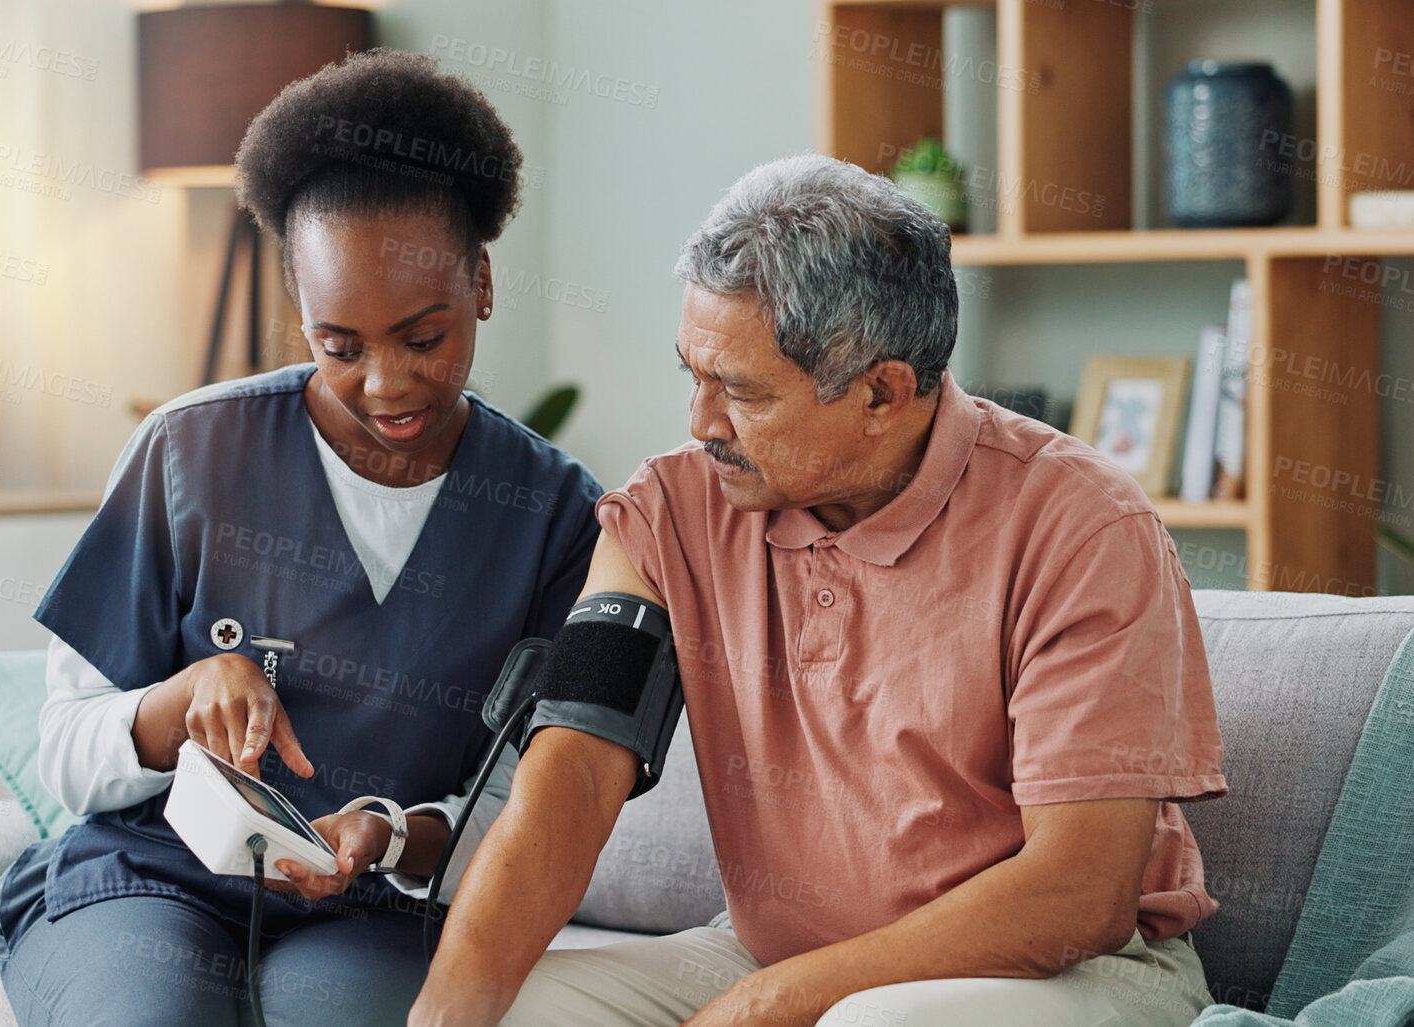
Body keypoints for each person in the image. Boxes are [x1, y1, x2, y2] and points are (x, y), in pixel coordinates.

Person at [410, 154, 1228, 1027]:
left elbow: (1078, 896)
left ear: (882, 392)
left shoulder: (1081, 526)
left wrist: (772, 1003)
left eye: (742, 393)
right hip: (773, 951)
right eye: (694, 373)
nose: (700, 422)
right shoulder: (666, 515)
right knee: (511, 1004)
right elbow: (568, 779)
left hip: (1072, 974)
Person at [0, 51, 601, 1026]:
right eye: (338, 345)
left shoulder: (556, 515)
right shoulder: (188, 451)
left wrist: (393, 838)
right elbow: (64, 749)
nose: (385, 385)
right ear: (298, 308)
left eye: (422, 339)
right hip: (154, 880)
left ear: (481, 281)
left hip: (373, 909)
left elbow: (540, 805)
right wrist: (178, 701)